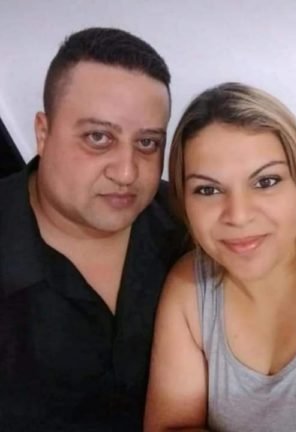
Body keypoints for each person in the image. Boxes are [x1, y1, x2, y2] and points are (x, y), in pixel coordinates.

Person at [144, 82, 296, 431]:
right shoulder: (190, 288)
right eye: (208, 190)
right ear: (183, 202)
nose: (238, 215)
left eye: (266, 182)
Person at [0, 28, 188, 431]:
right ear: (43, 133)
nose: (127, 172)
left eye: (147, 143)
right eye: (98, 137)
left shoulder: (192, 227)